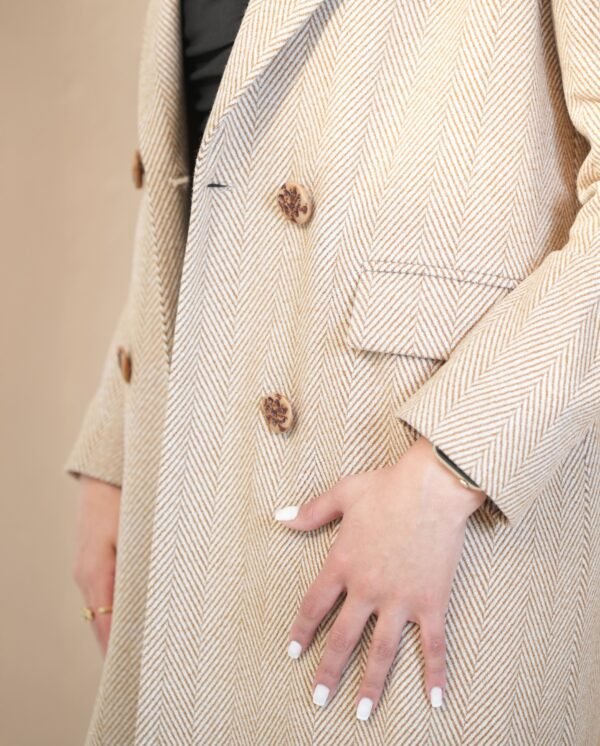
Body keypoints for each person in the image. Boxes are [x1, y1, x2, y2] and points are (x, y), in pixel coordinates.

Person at [65, 0, 600, 743]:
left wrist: (454, 467)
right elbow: (217, 146)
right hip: (199, 475)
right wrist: (120, 445)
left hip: (425, 512)